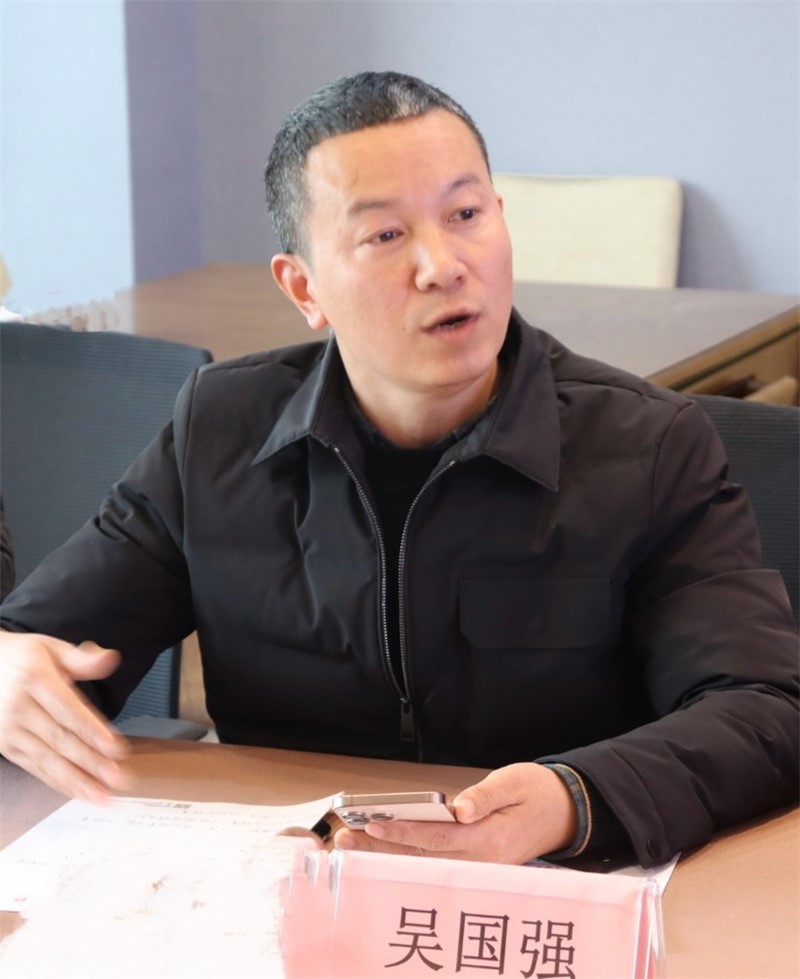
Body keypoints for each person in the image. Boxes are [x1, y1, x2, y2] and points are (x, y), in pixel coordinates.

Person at [1, 72, 796, 870]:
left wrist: (574, 798)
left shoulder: (650, 444)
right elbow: (43, 644)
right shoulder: (219, 429)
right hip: (294, 879)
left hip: (549, 884)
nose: (442, 265)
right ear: (304, 286)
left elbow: (767, 707)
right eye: (385, 235)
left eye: (466, 214)